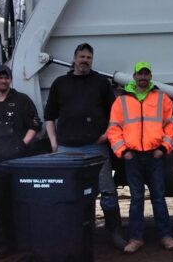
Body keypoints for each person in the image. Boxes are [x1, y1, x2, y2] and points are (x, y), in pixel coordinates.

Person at [43, 42, 126, 250]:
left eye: (88, 58)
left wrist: (107, 135)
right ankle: (73, 233)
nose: (85, 61)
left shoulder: (100, 83)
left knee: (107, 191)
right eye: (81, 57)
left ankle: (114, 232)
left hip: (95, 148)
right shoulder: (60, 83)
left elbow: (115, 114)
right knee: (69, 192)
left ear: (92, 60)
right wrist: (54, 142)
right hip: (66, 149)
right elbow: (49, 116)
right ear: (74, 58)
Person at [107, 61, 173, 253]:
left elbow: (170, 128)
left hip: (155, 156)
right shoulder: (121, 101)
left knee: (159, 198)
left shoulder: (163, 99)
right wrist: (123, 152)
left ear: (151, 76)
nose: (143, 77)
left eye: (147, 74)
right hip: (133, 157)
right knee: (136, 199)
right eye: (140, 74)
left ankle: (166, 236)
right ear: (134, 76)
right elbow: (113, 130)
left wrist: (163, 149)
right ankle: (136, 238)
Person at [0, 65, 41, 257]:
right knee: (0, 205)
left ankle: (27, 242)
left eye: (6, 78)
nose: (3, 81)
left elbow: (35, 124)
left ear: (10, 80)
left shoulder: (22, 100)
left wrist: (23, 144)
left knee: (22, 202)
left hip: (19, 161)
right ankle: (6, 245)